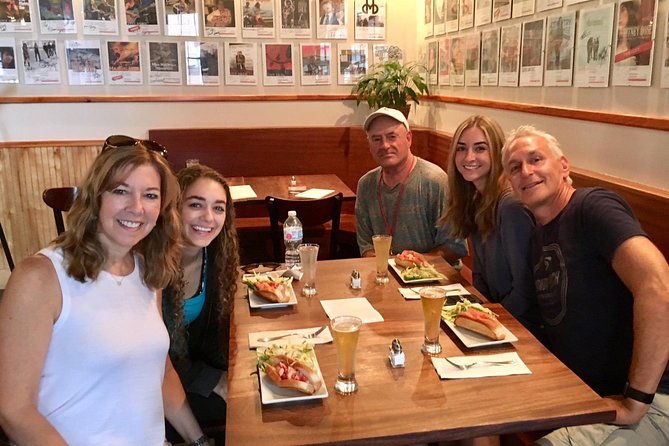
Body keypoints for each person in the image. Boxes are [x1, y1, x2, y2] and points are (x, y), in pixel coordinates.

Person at [0, 136, 207, 445]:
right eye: (121, 191)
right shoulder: (40, 277)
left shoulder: (147, 272)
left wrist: (199, 441)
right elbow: (14, 411)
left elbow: (160, 372)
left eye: (150, 195)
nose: (136, 207)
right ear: (95, 198)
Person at [502, 125, 669, 445]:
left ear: (564, 166)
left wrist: (635, 401)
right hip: (585, 394)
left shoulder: (592, 207)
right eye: (515, 167)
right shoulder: (538, 238)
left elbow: (658, 286)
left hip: (651, 400)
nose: (526, 171)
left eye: (536, 159)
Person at [163, 164, 239, 444]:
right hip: (149, 386)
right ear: (174, 207)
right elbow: (151, 359)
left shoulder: (216, 257)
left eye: (218, 208)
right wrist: (211, 379)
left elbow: (214, 336)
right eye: (196, 204)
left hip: (188, 370)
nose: (208, 217)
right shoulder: (152, 264)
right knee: (243, 411)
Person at [441, 116, 537, 330]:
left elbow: (525, 293)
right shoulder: (477, 200)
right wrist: (480, 312)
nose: (469, 157)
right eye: (461, 148)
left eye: (480, 148)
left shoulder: (511, 207)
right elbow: (480, 276)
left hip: (521, 327)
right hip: (495, 315)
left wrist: (489, 321)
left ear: (498, 153)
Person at [355, 107, 468, 263]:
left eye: (392, 137)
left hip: (433, 274)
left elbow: (455, 247)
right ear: (369, 144)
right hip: (384, 273)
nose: (385, 145)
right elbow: (366, 246)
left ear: (408, 138)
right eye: (376, 139)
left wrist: (415, 262)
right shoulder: (366, 185)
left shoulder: (435, 181)